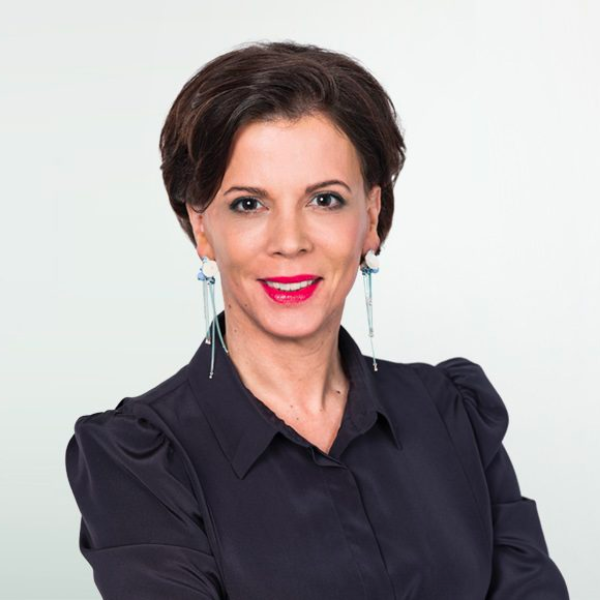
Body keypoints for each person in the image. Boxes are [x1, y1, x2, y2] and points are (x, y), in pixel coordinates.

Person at [65, 40, 570, 599]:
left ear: (371, 216)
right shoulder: (139, 459)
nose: (290, 241)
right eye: (249, 204)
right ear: (203, 227)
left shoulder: (453, 413)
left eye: (324, 200)